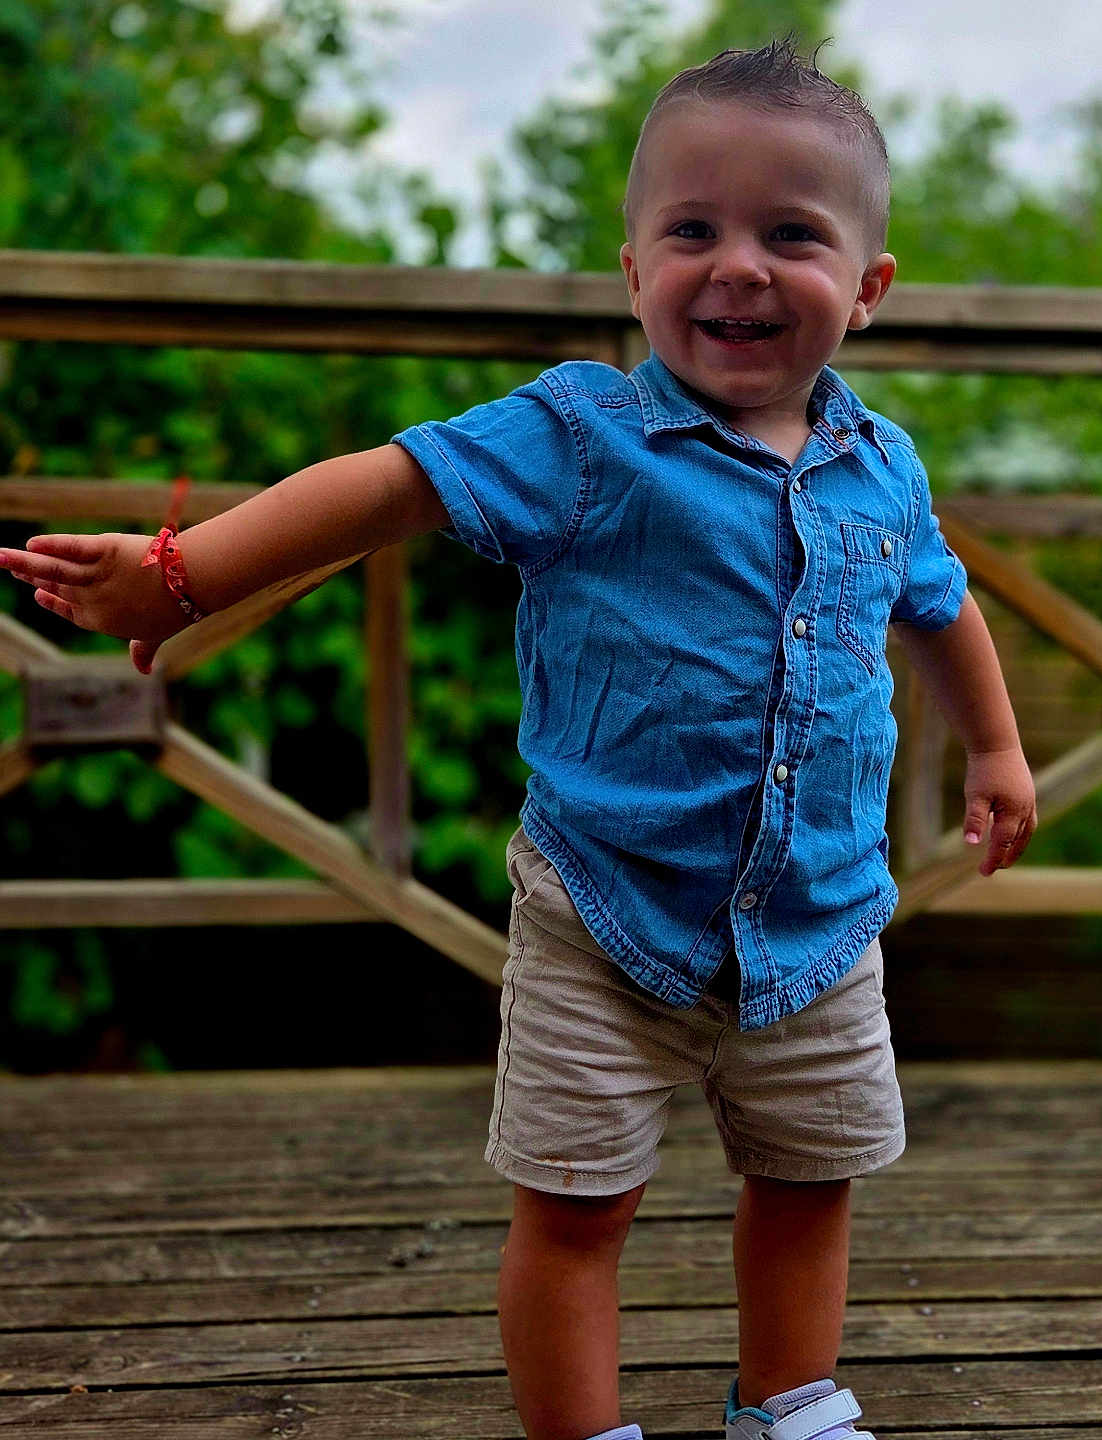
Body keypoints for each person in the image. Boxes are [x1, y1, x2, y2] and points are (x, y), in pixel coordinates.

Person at [0, 39, 1036, 1440]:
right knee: (576, 1206)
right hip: (604, 916)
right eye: (693, 230)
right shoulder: (583, 436)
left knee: (808, 1181)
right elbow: (385, 487)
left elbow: (941, 604)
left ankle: (789, 1402)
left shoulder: (884, 467)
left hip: (819, 923)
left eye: (792, 235)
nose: (737, 266)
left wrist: (995, 751)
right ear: (633, 268)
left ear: (867, 286)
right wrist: (185, 577)